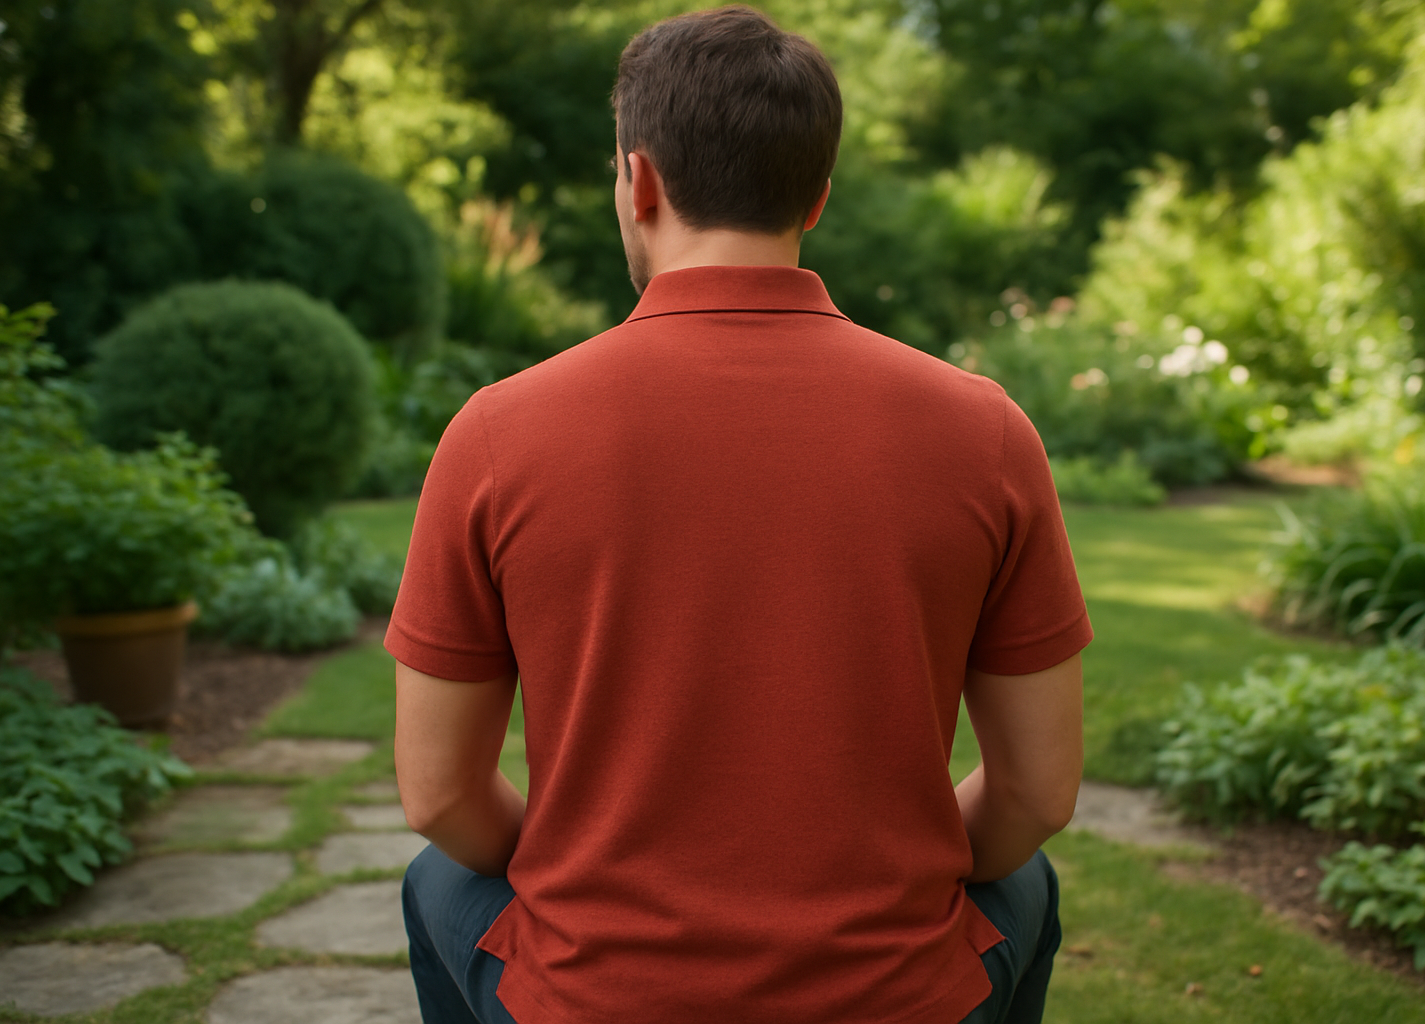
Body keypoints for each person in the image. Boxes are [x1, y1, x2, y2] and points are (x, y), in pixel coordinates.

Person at [387, 6, 1092, 1023]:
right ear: (817, 196)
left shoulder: (498, 432)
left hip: (598, 994)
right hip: (894, 995)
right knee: (1022, 885)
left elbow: (441, 795)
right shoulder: (984, 431)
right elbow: (1034, 794)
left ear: (639, 181)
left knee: (434, 879)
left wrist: (577, 861)